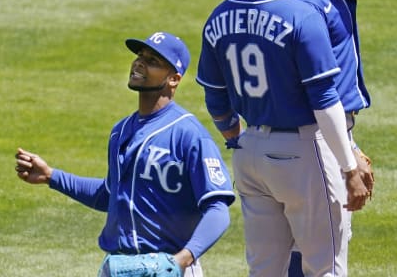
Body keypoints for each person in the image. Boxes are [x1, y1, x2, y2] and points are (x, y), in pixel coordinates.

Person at [196, 0, 369, 276]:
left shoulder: (218, 17)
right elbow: (324, 100)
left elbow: (215, 96)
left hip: (250, 155)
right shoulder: (302, 16)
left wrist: (235, 138)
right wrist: (349, 166)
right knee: (326, 269)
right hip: (302, 154)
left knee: (264, 270)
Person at [14, 31, 236, 277]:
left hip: (170, 269)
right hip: (120, 267)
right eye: (140, 56)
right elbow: (109, 195)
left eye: (152, 61)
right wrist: (51, 177)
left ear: (173, 79)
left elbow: (218, 209)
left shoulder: (189, 134)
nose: (139, 63)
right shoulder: (120, 131)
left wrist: (181, 260)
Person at [286, 0, 392, 275]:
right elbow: (314, 90)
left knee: (314, 245)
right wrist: (346, 155)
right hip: (318, 135)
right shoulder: (307, 0)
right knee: (324, 254)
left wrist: (350, 144)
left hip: (331, 132)